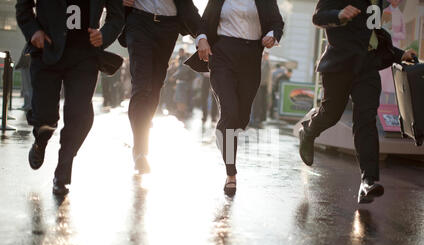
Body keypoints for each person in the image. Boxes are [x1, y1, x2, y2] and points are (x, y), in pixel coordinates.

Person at [298, 0, 416, 204]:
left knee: (366, 120)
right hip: (339, 64)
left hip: (367, 67)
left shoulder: (377, 2)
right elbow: (318, 17)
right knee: (332, 114)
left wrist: (398, 54)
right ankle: (308, 131)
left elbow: (372, 34)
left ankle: (368, 181)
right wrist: (338, 15)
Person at [16, 0, 124, 196]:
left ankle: (63, 172)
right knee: (45, 117)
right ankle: (41, 139)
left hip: (84, 56)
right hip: (47, 51)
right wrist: (33, 31)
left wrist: (104, 35)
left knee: (79, 116)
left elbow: (117, 15)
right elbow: (23, 6)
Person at [197, 0, 284, 196]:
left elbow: (277, 23)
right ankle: (231, 174)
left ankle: (224, 129)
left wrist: (272, 35)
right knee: (230, 112)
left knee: (241, 119)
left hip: (251, 58)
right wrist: (201, 38)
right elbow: (205, 21)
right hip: (222, 54)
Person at [120, 0, 201, 174]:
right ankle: (140, 148)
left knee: (155, 87)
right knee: (141, 85)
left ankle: (142, 135)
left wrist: (202, 35)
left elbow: (187, 5)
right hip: (139, 21)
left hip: (168, 26)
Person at [250, 51, 271, 127]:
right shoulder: (261, 62)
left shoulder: (267, 64)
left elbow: (266, 77)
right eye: (264, 55)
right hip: (257, 85)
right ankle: (253, 119)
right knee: (255, 103)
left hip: (262, 86)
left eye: (266, 55)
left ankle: (256, 119)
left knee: (259, 103)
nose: (265, 56)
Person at [15, 47, 32, 112]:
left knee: (28, 87)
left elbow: (25, 57)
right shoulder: (29, 44)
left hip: (27, 67)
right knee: (26, 87)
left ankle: (29, 105)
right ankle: (27, 104)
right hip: (26, 66)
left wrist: (19, 64)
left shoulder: (30, 44)